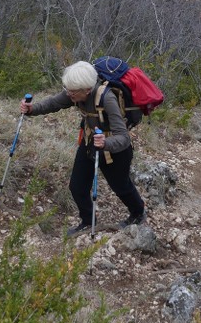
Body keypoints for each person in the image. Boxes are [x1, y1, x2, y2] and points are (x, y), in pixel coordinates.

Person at [20, 60, 146, 236]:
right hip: (89, 143)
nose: (69, 94)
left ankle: (138, 212)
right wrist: (32, 109)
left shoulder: (107, 98)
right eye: (68, 89)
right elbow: (53, 103)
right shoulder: (74, 92)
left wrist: (106, 143)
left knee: (120, 185)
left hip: (115, 150)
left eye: (73, 91)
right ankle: (88, 221)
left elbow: (123, 138)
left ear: (87, 89)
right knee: (77, 186)